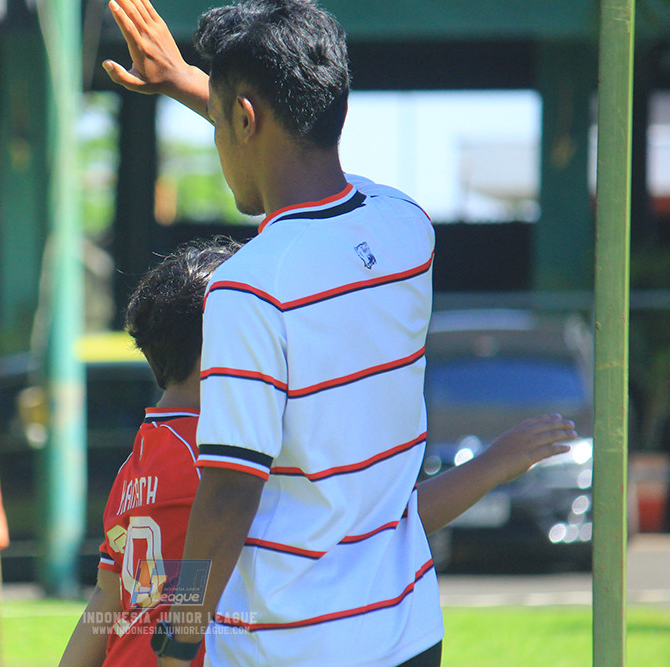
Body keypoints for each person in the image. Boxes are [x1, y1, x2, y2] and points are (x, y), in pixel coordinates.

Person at [101, 1, 575, 665]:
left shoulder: (247, 290)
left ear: (242, 118)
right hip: (408, 634)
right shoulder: (407, 230)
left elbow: (231, 492)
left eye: (220, 118)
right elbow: (286, 148)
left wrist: (178, 636)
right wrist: (189, 79)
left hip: (290, 649)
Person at [59, 239, 577, 666]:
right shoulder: (222, 457)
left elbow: (107, 601)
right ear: (225, 342)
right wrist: (494, 464)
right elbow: (379, 523)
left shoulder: (138, 464)